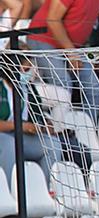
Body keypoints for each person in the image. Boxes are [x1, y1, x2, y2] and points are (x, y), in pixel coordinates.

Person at [26, 0, 99, 123]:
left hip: (72, 45)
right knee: (63, 84)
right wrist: (71, 53)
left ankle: (88, 133)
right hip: (44, 38)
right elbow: (53, 20)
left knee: (93, 87)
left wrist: (74, 52)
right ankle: (60, 135)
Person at [0, 53, 63, 186]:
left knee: (53, 145)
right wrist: (20, 126)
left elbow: (37, 115)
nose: (30, 73)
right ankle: (10, 189)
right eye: (27, 69)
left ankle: (42, 189)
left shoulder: (28, 89)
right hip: (4, 136)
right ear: (13, 69)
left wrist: (44, 126)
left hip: (21, 135)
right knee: (10, 144)